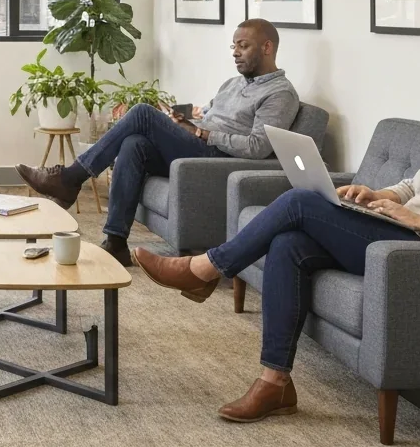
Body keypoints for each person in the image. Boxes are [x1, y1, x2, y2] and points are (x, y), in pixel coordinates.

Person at [132, 30, 420, 424]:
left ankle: (206, 269)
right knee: (289, 242)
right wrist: (383, 196)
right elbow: (416, 183)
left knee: (301, 202)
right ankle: (275, 382)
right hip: (400, 234)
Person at [16, 19, 299, 266]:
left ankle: (71, 178)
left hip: (217, 157)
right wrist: (184, 117)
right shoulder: (234, 83)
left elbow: (257, 147)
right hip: (197, 146)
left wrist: (201, 134)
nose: (236, 53)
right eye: (233, 46)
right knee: (134, 144)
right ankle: (115, 242)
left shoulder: (280, 94)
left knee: (141, 112)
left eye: (244, 46)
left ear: (267, 47)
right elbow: (209, 113)